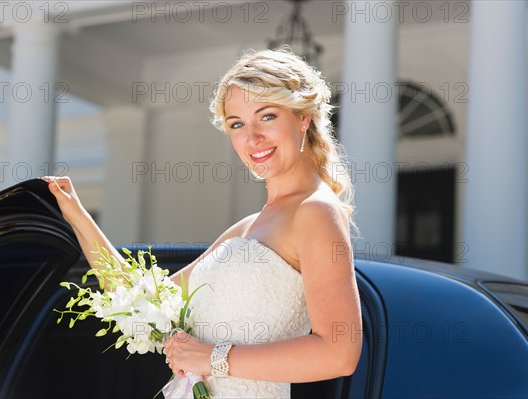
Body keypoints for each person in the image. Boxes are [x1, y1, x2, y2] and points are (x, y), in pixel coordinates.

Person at [43, 47, 362, 398]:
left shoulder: (316, 212)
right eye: (236, 124)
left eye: (267, 116)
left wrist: (213, 358)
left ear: (303, 117)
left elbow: (339, 352)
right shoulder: (246, 229)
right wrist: (76, 214)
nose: (251, 138)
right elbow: (141, 303)